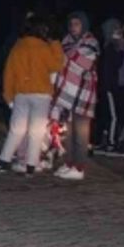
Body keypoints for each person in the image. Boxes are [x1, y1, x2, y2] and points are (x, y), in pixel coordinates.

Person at [0, 15, 64, 175]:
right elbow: (57, 65)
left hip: (21, 93)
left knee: (17, 129)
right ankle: (31, 164)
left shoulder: (18, 47)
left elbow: (9, 73)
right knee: (37, 131)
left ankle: (4, 160)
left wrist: (8, 95)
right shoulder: (44, 47)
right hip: (41, 94)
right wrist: (55, 43)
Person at [50, 12, 100, 181]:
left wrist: (69, 58)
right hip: (68, 93)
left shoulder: (91, 42)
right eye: (71, 24)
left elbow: (86, 64)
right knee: (70, 131)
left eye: (77, 24)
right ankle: (70, 163)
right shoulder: (66, 42)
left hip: (83, 93)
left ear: (84, 25)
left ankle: (79, 167)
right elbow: (61, 63)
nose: (73, 27)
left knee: (81, 132)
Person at [94, 19, 124, 155]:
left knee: (109, 115)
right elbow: (115, 65)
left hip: (107, 87)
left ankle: (105, 141)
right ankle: (111, 144)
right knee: (114, 116)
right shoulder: (110, 48)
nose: (119, 32)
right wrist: (122, 48)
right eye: (116, 29)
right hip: (109, 87)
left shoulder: (107, 47)